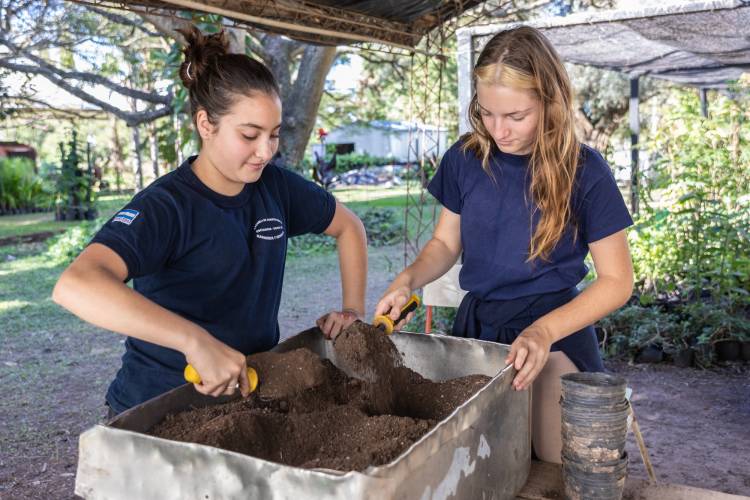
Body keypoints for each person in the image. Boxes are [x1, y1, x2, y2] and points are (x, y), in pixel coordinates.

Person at [52, 27, 367, 416]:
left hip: (248, 397)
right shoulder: (165, 207)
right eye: (250, 135)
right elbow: (75, 285)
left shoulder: (277, 188)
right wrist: (194, 341)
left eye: (273, 135)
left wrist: (353, 310)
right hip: (160, 407)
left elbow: (349, 227)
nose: (265, 151)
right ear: (205, 124)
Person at [375, 26, 634, 463]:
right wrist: (408, 280)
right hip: (480, 330)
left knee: (555, 464)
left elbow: (617, 281)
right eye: (488, 112)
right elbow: (443, 242)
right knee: (480, 462)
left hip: (554, 329)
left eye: (516, 116)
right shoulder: (465, 158)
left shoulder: (585, 171)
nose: (499, 130)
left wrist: (544, 332)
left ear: (550, 102)